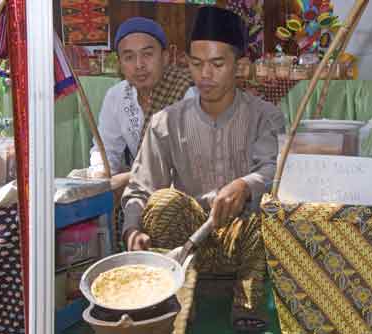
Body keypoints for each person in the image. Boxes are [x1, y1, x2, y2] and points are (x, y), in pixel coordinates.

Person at [121, 6, 285, 332]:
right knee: (165, 202)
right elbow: (141, 186)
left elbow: (274, 169)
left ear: (239, 66)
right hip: (188, 240)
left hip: (242, 241)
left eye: (217, 64)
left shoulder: (265, 116)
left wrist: (245, 184)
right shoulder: (167, 120)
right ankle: (178, 302)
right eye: (197, 64)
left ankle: (247, 308)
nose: (205, 74)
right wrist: (131, 229)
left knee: (263, 217)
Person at [89, 17, 194, 176]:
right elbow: (105, 150)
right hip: (138, 185)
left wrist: (126, 180)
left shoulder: (186, 93)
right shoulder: (116, 96)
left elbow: (189, 164)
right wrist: (101, 172)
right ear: (120, 64)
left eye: (148, 54)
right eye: (129, 57)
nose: (139, 65)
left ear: (165, 57)